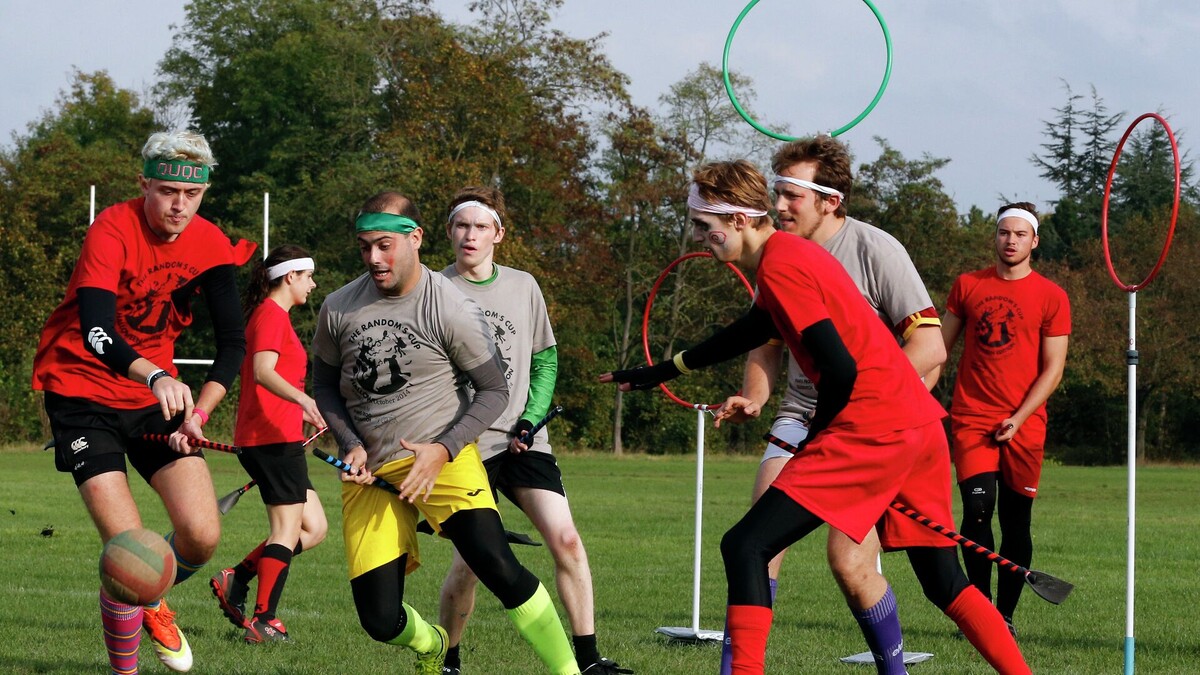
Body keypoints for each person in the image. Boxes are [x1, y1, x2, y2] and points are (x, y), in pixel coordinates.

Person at [600, 160, 1029, 674]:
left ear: (738, 220)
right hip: (917, 424)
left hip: (871, 427)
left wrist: (817, 438)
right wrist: (662, 371)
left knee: (746, 545)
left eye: (701, 224)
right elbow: (752, 329)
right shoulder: (787, 255)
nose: (697, 236)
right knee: (942, 580)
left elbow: (840, 368)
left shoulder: (782, 263)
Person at [310, 191, 580, 674]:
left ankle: (569, 671)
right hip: (371, 474)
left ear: (415, 238)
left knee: (498, 566)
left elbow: (494, 391)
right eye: (365, 247)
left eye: (385, 245)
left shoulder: (451, 306)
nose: (374, 258)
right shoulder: (337, 308)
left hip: (445, 460)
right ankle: (434, 644)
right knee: (379, 620)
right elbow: (325, 387)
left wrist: (443, 449)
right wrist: (350, 443)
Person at [711, 137, 945, 675]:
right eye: (777, 193)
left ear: (830, 200)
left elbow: (930, 346)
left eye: (791, 194)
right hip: (801, 418)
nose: (778, 206)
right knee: (755, 546)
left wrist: (873, 402)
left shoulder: (876, 249)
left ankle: (894, 670)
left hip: (868, 426)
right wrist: (756, 396)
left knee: (850, 564)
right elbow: (766, 342)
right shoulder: (775, 256)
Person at [32, 130, 252, 674]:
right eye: (167, 191)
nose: (179, 205)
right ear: (144, 185)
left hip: (153, 398)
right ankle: (139, 627)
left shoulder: (210, 244)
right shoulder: (111, 228)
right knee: (130, 550)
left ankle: (145, 591)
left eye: (192, 194)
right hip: (81, 392)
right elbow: (96, 332)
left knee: (202, 536)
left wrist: (199, 414)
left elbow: (233, 343)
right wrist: (155, 375)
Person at [435, 187, 632, 675]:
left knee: (567, 541)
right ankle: (448, 661)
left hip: (524, 441)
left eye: (481, 227)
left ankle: (589, 660)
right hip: (464, 448)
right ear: (449, 232)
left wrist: (529, 419)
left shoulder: (524, 286)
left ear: (498, 234)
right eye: (462, 226)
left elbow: (545, 362)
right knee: (469, 565)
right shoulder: (432, 289)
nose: (471, 235)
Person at [939, 202, 1071, 636]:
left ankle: (1005, 616)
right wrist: (909, 391)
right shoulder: (968, 285)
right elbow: (938, 350)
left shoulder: (1052, 296)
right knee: (977, 511)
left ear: (1034, 241)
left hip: (1025, 424)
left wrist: (1018, 417)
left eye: (1019, 234)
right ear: (994, 237)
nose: (1010, 240)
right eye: (1003, 232)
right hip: (972, 418)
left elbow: (1053, 369)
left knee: (1016, 523)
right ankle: (979, 616)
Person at [209, 245, 329, 644]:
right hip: (271, 439)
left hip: (280, 438)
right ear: (290, 276)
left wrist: (300, 409)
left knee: (314, 528)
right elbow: (263, 371)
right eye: (308, 276)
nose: (313, 284)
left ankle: (237, 577)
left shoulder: (274, 316)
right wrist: (304, 400)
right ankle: (264, 620)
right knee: (286, 530)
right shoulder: (271, 315)